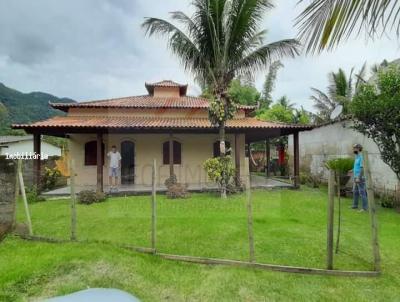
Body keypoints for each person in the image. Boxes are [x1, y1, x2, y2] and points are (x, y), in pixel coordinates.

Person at [351, 143, 368, 212]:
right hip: (356, 177)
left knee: (362, 192)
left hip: (360, 177)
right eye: (353, 148)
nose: (354, 149)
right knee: (355, 192)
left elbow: (362, 168)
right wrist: (352, 170)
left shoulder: (361, 157)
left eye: (355, 148)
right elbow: (356, 167)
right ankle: (355, 205)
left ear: (358, 148)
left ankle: (364, 208)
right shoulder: (357, 156)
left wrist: (358, 177)